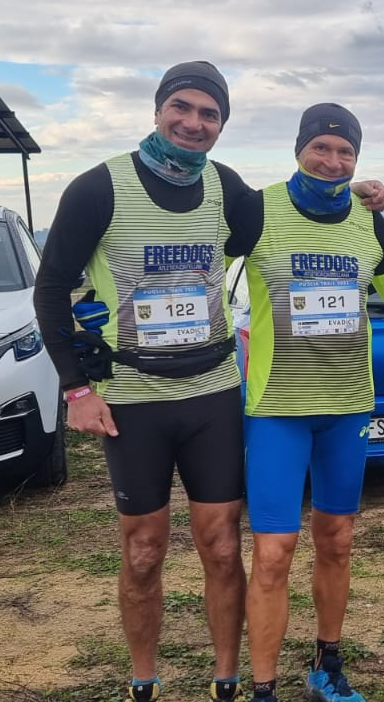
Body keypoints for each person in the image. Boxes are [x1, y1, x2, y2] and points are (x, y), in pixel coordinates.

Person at [32, 61, 249, 702]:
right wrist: (76, 387)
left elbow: (291, 224)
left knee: (220, 545)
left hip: (212, 390)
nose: (194, 122)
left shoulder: (228, 188)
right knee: (144, 550)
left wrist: (369, 201)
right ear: (158, 111)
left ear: (221, 125)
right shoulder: (98, 187)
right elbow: (50, 289)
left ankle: (227, 679)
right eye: (181, 107)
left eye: (210, 114)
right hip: (133, 396)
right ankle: (144, 681)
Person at [234, 103, 384, 702]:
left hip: (347, 405)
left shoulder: (366, 219)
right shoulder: (257, 210)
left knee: (336, 540)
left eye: (345, 152)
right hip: (278, 409)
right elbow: (198, 262)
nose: (333, 161)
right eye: (322, 148)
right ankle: (262, 688)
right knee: (275, 551)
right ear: (299, 149)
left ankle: (327, 666)